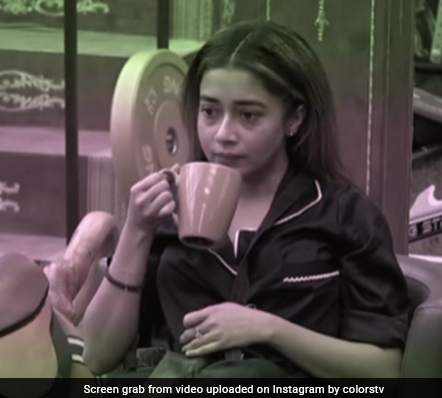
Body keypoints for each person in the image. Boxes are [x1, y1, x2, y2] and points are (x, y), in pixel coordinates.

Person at [82, 20, 410, 379]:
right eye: (210, 112)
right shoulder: (167, 208)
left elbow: (384, 371)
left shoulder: (343, 216)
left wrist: (268, 329)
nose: (223, 134)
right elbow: (96, 356)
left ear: (294, 119)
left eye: (248, 115)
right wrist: (136, 230)